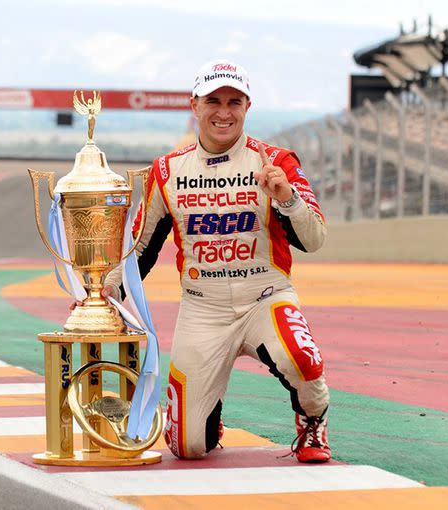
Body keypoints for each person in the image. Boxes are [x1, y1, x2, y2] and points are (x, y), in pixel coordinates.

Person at [103, 59, 331, 463]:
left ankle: (312, 423)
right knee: (186, 448)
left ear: (247, 107)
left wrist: (286, 199)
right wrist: (103, 291)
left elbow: (314, 240)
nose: (223, 112)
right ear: (195, 105)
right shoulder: (167, 170)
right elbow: (140, 249)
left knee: (303, 358)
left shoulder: (277, 161)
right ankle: (208, 419)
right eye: (213, 101)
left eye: (234, 101)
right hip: (202, 310)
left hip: (265, 297)